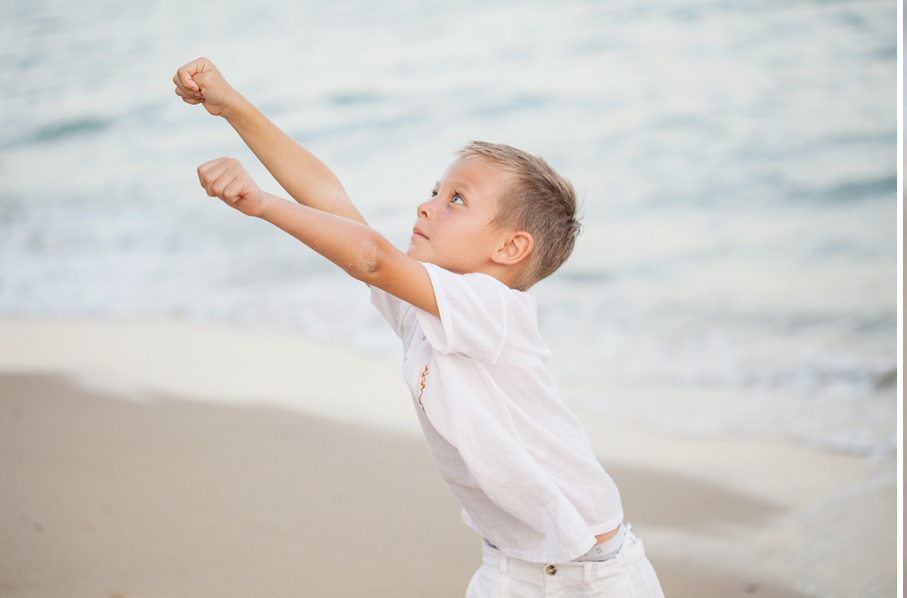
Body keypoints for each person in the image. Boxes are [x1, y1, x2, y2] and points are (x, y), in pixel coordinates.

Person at [173, 57, 664, 598]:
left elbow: (372, 259)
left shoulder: (493, 308)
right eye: (435, 190)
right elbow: (332, 202)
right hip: (510, 566)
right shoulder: (421, 307)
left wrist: (263, 204)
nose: (426, 206)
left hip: (594, 573)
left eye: (456, 199)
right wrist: (234, 108)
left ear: (509, 248)